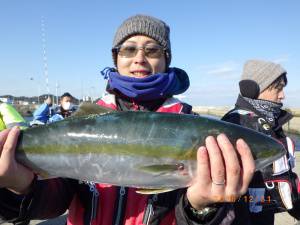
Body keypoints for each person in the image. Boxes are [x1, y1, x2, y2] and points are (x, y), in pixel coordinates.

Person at [0, 15, 255, 225]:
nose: (139, 58)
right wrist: (20, 185)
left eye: (152, 50)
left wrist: (201, 207)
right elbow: (55, 202)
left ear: (166, 60)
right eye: (129, 49)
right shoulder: (90, 117)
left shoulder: (189, 124)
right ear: (116, 58)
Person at [222, 59, 300, 225]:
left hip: (262, 212)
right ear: (252, 89)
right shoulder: (238, 125)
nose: (283, 95)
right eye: (278, 88)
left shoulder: (267, 122)